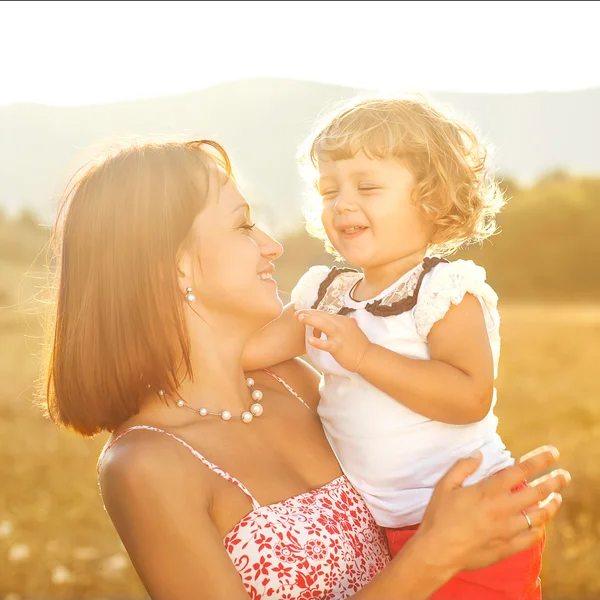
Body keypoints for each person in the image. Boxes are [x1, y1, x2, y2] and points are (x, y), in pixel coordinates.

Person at [43, 139, 569, 600]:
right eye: (242, 224)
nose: (271, 244)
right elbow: (424, 555)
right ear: (175, 262)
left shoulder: (292, 381)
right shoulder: (146, 466)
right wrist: (434, 557)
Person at [242, 96, 549, 598]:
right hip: (385, 527)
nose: (342, 202)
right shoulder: (324, 292)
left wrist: (363, 357)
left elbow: (469, 397)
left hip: (471, 511)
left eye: (367, 187)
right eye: (328, 189)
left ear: (431, 198)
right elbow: (251, 352)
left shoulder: (444, 292)